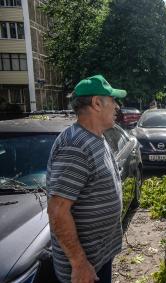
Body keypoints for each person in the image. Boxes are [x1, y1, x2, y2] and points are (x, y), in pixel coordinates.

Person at [46, 75, 126, 283]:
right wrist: (79, 264)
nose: (117, 106)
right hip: (84, 269)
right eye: (113, 101)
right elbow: (58, 211)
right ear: (97, 103)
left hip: (98, 258)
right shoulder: (75, 146)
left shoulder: (96, 136)